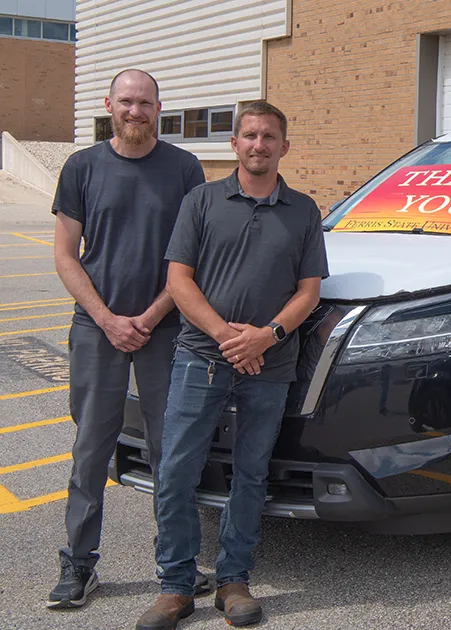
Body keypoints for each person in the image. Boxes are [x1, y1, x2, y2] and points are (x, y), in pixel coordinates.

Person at [136, 100, 328, 630]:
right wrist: (227, 337)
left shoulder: (304, 210)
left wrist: (267, 336)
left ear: (283, 146)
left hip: (271, 363)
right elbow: (179, 280)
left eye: (269, 136)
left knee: (251, 473)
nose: (258, 144)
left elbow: (309, 291)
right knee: (176, 469)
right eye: (249, 135)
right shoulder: (201, 200)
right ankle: (174, 587)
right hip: (202, 357)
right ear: (234, 143)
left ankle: (234, 580)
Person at [48, 69, 209, 610]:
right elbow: (66, 256)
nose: (134, 110)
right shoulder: (82, 167)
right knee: (91, 448)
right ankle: (79, 564)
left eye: (144, 102)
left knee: (172, 451)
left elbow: (194, 256)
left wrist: (148, 315)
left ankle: (176, 567)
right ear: (108, 105)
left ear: (158, 107)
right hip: (97, 328)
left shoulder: (185, 169)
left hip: (167, 329)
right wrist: (109, 318)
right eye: (125, 101)